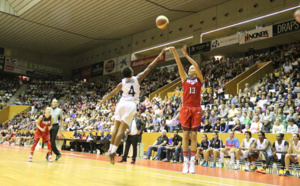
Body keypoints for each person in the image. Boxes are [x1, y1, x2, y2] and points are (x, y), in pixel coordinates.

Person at [100, 48, 166, 164]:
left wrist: (102, 100)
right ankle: (112, 152)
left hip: (121, 103)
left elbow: (112, 93)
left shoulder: (122, 83)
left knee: (115, 128)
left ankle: (110, 149)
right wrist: (158, 57)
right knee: (121, 130)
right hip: (131, 105)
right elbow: (149, 68)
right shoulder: (138, 78)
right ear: (131, 72)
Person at [169, 45, 204, 174]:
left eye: (192, 67)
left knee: (194, 135)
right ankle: (185, 162)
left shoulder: (200, 80)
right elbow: (179, 65)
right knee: (185, 135)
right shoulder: (184, 79)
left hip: (196, 109)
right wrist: (175, 52)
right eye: (189, 68)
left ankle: (193, 162)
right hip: (185, 108)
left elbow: (197, 67)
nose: (190, 68)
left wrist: (187, 56)